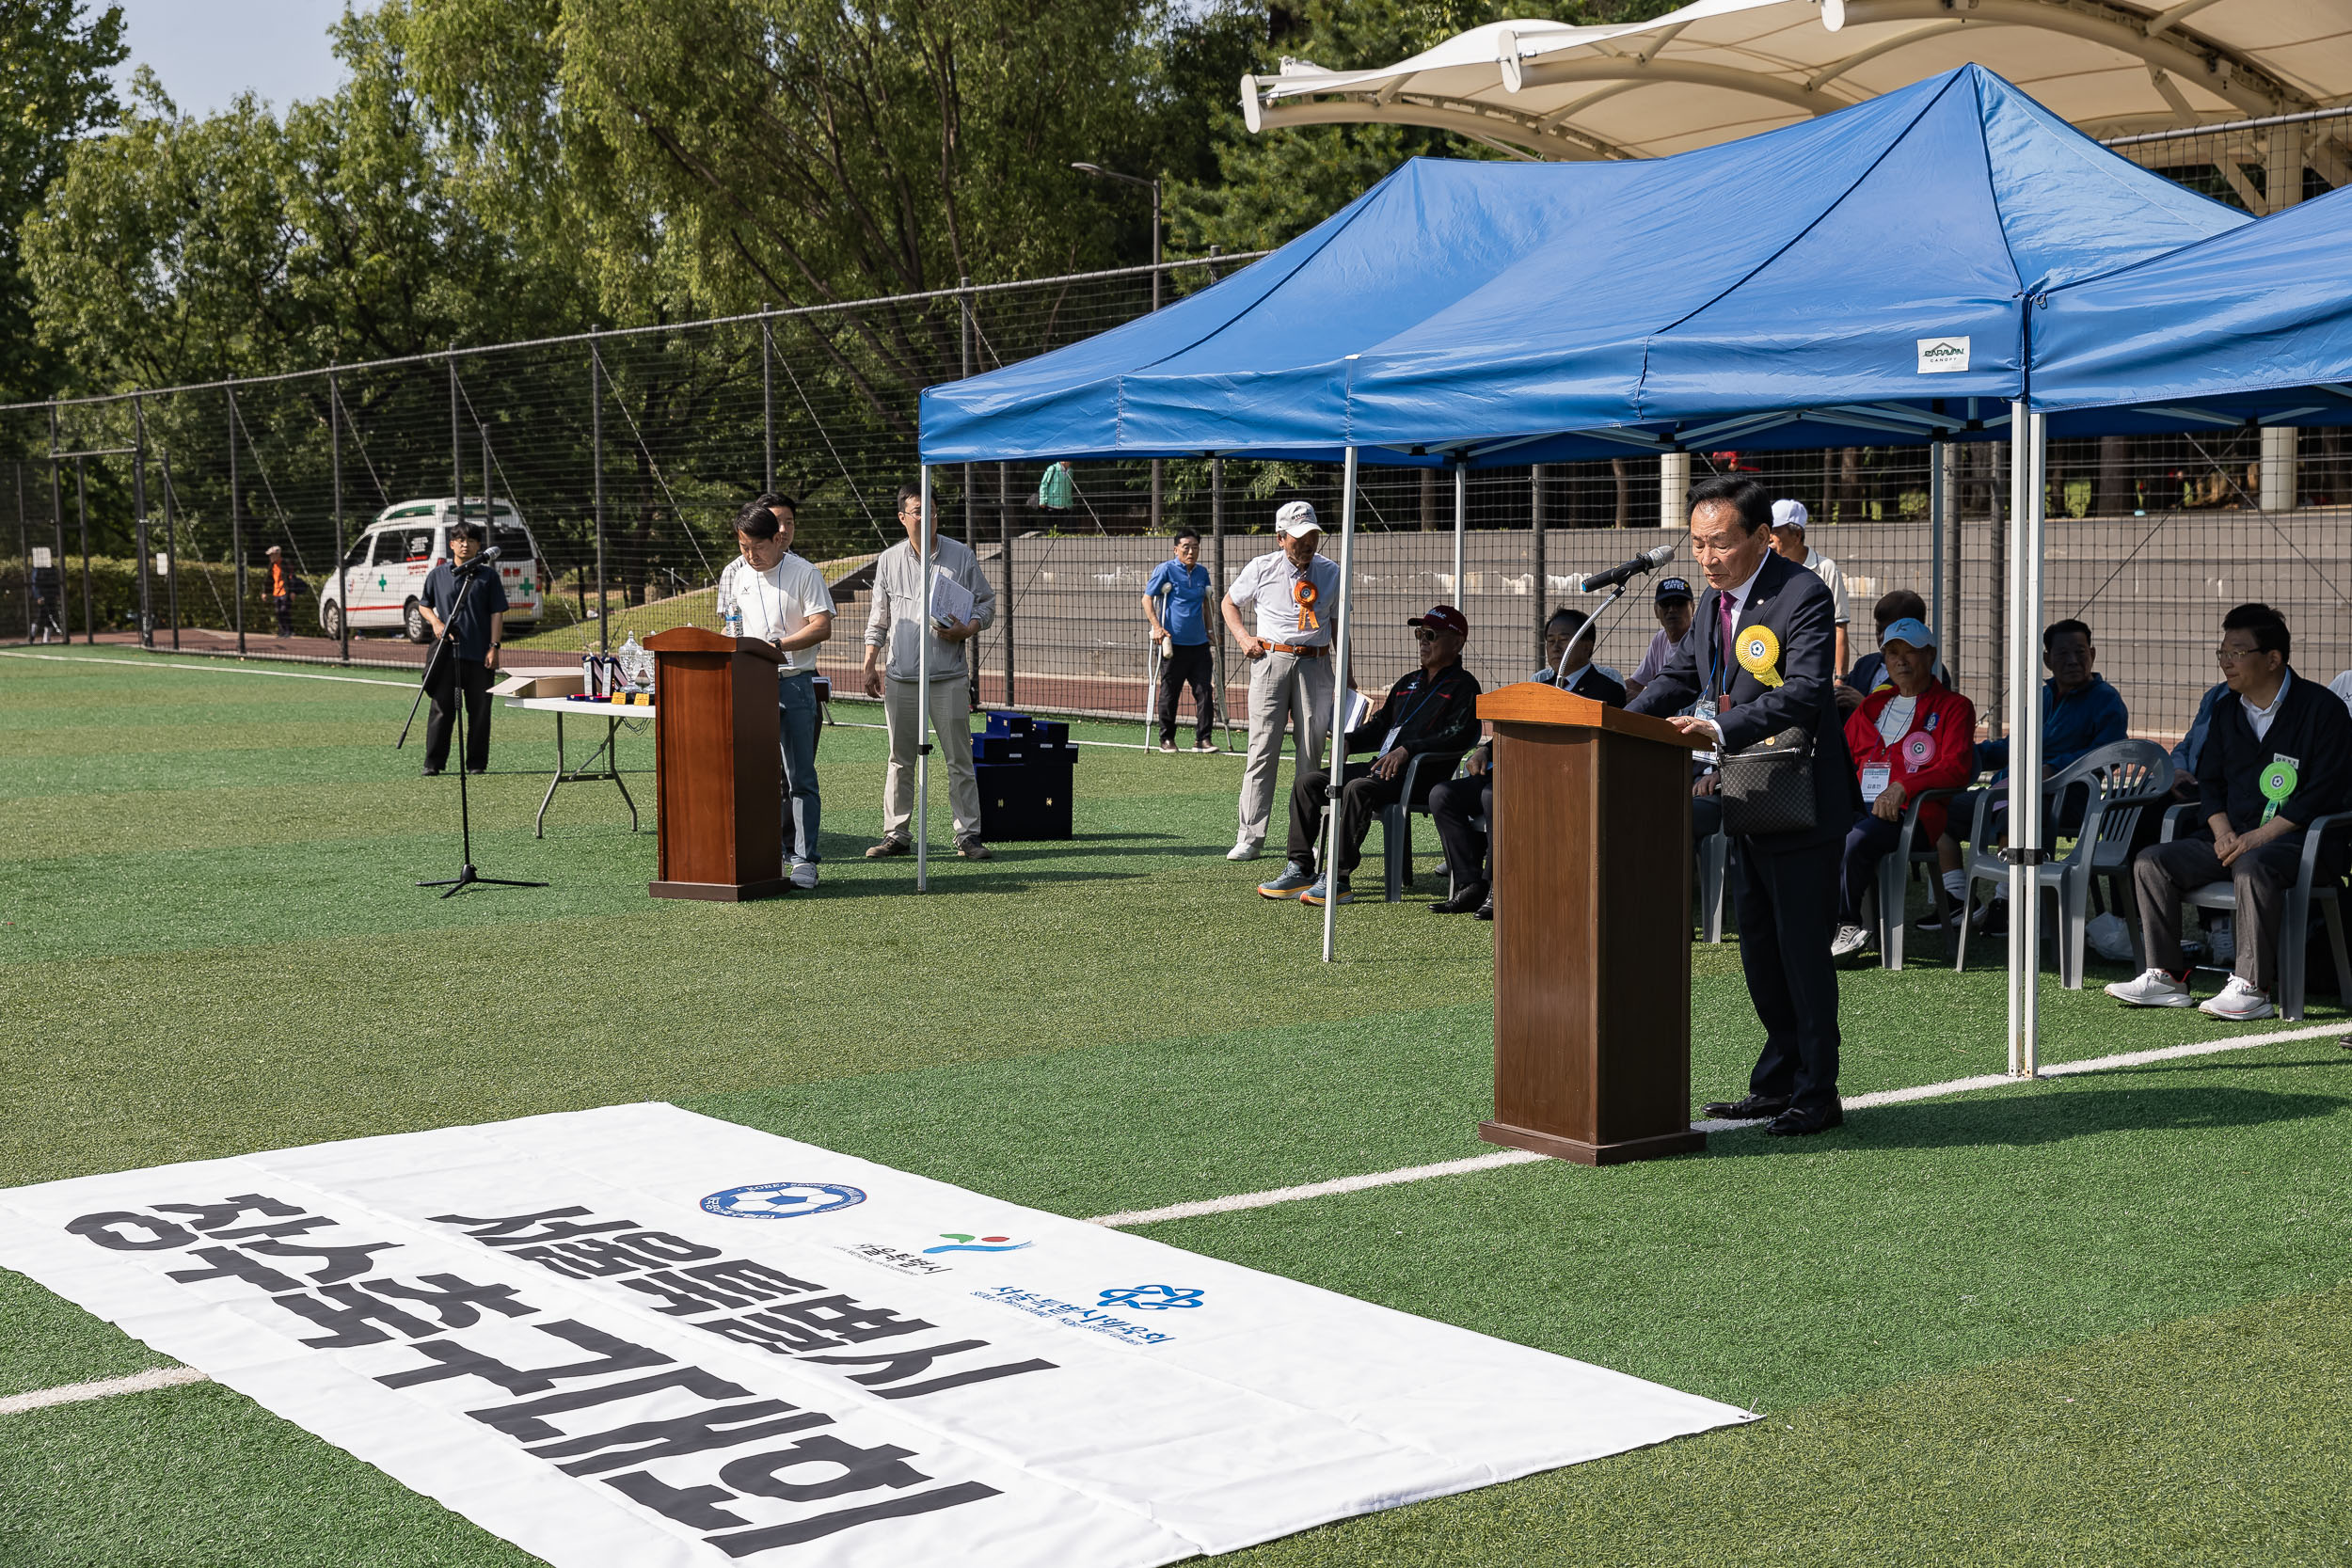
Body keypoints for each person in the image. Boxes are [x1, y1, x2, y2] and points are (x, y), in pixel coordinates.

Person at [1629, 475, 1851, 1136]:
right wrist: (1611, 717)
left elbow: (1810, 690)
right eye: (1696, 545)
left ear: (1761, 536)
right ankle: (1776, 1082)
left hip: (1801, 795)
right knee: (1758, 944)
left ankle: (1819, 1091)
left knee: (1801, 949)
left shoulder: (1802, 593)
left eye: (1719, 544)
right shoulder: (1712, 604)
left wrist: (1723, 729)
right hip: (1749, 796)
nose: (1706, 557)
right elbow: (1681, 676)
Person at [2109, 603, 2352, 1021]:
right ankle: (2166, 976)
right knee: (2153, 862)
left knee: (2252, 866)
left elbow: (2324, 793)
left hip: (2304, 843)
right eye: (2222, 652)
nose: (2226, 662)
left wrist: (2257, 838)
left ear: (2273, 659)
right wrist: (2222, 832)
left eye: (2237, 652)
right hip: (2234, 839)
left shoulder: (2323, 710)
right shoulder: (2224, 710)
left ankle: (2252, 986)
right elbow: (2212, 785)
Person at [1256, 605, 1481, 907]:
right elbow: (1379, 727)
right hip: (1382, 769)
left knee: (1358, 788)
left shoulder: (1464, 686)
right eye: (1420, 634)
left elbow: (1461, 734)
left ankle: (1338, 878)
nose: (1423, 641)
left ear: (1457, 643)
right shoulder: (1408, 682)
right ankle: (1300, 868)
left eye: (1431, 635)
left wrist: (1408, 751)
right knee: (1308, 783)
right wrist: (1348, 742)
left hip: (1423, 777)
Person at [1430, 607, 1627, 919]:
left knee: (1492, 795)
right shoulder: (1539, 685)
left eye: (1565, 640)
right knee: (1444, 794)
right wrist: (1486, 751)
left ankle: (1498, 887)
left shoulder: (1607, 689)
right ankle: (1470, 884)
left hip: (1566, 779)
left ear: (1588, 646)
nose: (1556, 647)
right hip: (1521, 771)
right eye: (1550, 640)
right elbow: (1516, 729)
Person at [1936, 617, 2127, 925]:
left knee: (2015, 812)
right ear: (2047, 659)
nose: (2073, 660)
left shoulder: (2107, 700)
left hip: (2069, 801)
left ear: (2093, 654)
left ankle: (2007, 902)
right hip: (2010, 790)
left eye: (2080, 652)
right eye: (2063, 654)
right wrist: (1966, 752)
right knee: (1939, 811)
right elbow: (2014, 746)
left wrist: (2054, 768)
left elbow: (2111, 754)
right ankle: (1958, 899)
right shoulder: (2042, 697)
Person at [862, 482, 996, 861]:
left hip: (948, 676)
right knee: (899, 758)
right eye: (918, 510)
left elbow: (985, 604)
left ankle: (968, 835)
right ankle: (897, 833)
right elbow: (879, 617)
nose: (926, 516)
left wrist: (966, 629)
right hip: (900, 677)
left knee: (959, 758)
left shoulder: (962, 556)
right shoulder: (888, 560)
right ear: (903, 517)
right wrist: (870, 662)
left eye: (932, 510)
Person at [1830, 618, 1977, 959]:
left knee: (1854, 838)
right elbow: (1839, 759)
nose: (1900, 660)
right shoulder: (1871, 706)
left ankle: (1847, 924)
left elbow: (1955, 769)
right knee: (1814, 830)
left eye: (1910, 652)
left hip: (1914, 818)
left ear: (1931, 656)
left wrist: (1903, 787)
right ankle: (1813, 923)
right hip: (1860, 807)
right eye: (1893, 653)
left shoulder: (1955, 707)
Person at [1221, 500, 1343, 861]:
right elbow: (1229, 603)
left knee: (1312, 754)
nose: (1307, 544)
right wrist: (1244, 639)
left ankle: (1312, 838)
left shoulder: (1332, 571)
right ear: (1280, 538)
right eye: (1299, 537)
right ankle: (1251, 836)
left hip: (1316, 665)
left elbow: (1339, 626)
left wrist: (1347, 678)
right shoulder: (1261, 568)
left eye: (1313, 536)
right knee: (1261, 751)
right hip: (1269, 661)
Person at [728, 495, 835, 889]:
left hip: (794, 684)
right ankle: (764, 851)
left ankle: (805, 859)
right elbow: (733, 627)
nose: (750, 555)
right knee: (756, 775)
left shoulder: (804, 572)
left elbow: (821, 626)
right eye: (743, 547)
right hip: (750, 686)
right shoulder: (739, 575)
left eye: (757, 546)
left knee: (799, 777)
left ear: (778, 539)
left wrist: (781, 646)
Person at [418, 521, 505, 776]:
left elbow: (497, 613)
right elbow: (424, 604)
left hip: (479, 655)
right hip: (446, 656)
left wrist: (494, 647)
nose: (465, 544)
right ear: (452, 544)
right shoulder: (437, 575)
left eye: (471, 540)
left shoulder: (489, 577)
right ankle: (433, 763)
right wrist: (435, 622)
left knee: (479, 712)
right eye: (460, 540)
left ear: (479, 545)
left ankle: (477, 764)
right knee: (441, 709)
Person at [1142, 529, 1216, 752]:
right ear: (1176, 549)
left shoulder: (1202, 573)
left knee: (1205, 691)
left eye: (1195, 547)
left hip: (1199, 644)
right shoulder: (1166, 569)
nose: (1191, 551)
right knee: (1170, 693)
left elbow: (1206, 603)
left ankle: (1203, 740)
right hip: (1173, 645)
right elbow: (1147, 598)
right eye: (1186, 547)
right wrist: (1157, 627)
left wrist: (1211, 629)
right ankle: (1166, 739)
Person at [1769, 499, 1851, 673]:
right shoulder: (1766, 568)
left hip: (1812, 670)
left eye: (1775, 531)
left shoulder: (1826, 569)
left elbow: (1839, 626)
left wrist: (1840, 679)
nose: (1769, 537)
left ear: (1797, 535)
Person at [1836, 589, 1930, 714]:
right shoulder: (1865, 665)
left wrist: (1864, 706)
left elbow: (1920, 721)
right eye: (1878, 630)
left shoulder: (1929, 672)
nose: (1881, 637)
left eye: (1889, 630)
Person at [1624, 577, 1694, 704]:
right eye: (1665, 604)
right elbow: (1636, 683)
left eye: (1680, 603)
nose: (1672, 609)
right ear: (1656, 611)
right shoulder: (1660, 639)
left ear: (1693, 608)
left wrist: (1643, 697)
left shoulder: (1700, 640)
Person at [266, 545, 295, 639]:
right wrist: (265, 592)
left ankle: (289, 630)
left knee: (284, 610)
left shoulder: (285, 564)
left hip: (284, 591)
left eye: (272, 555)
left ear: (278, 554)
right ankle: (282, 631)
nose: (270, 557)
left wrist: (292, 591)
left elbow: (291, 577)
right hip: (276, 592)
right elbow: (268, 579)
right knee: (278, 612)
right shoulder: (272, 565)